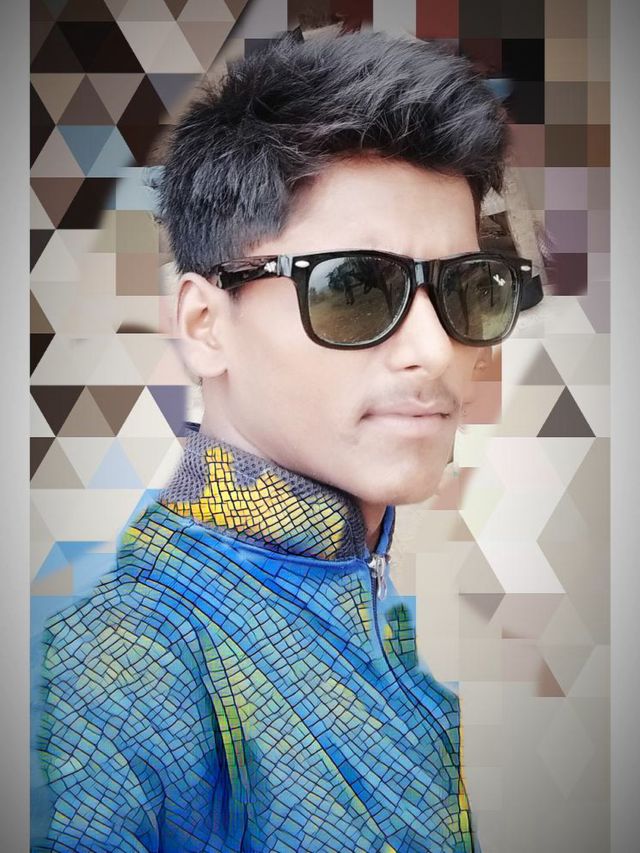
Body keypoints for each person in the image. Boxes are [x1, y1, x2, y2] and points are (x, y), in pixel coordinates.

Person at [32, 25, 539, 853]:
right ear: (205, 324)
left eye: (467, 287)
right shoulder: (131, 659)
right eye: (355, 285)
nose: (435, 346)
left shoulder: (381, 632)